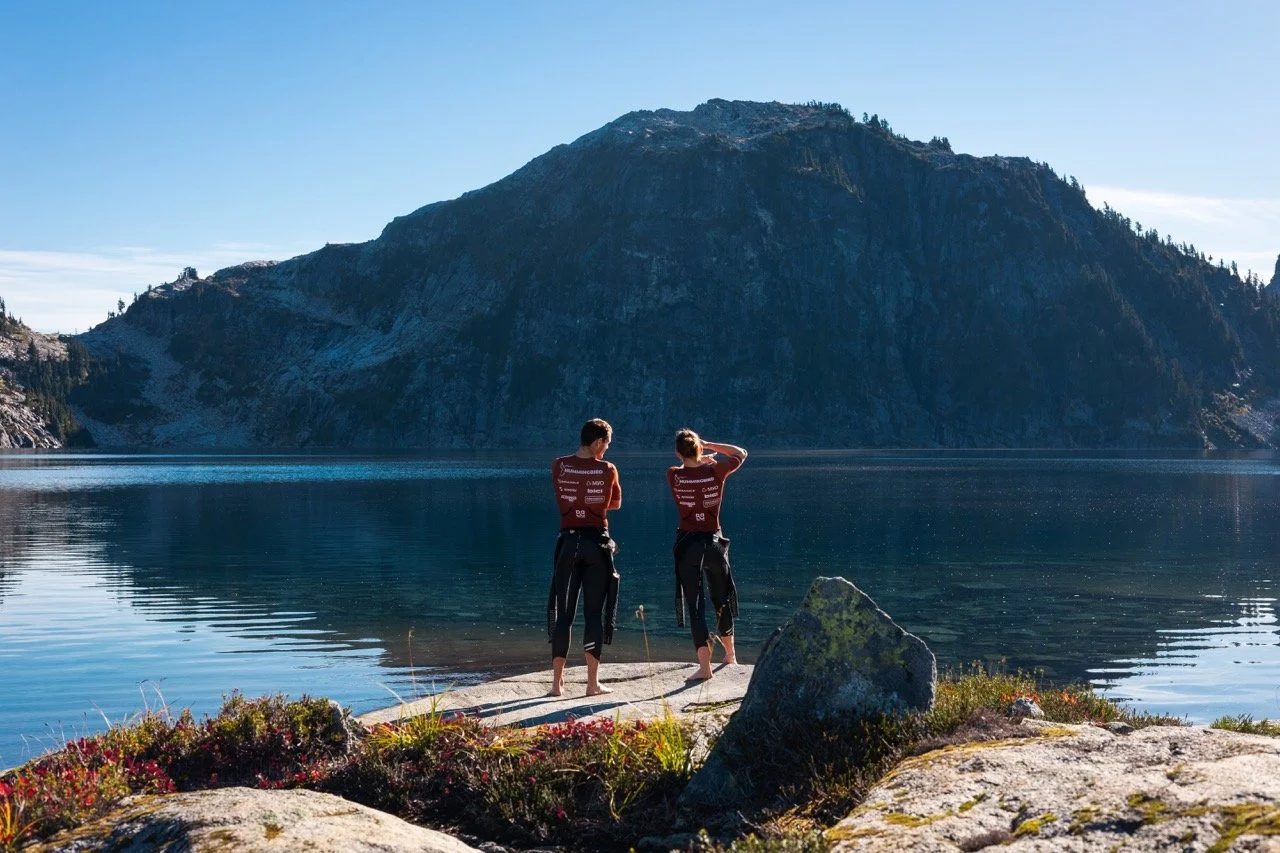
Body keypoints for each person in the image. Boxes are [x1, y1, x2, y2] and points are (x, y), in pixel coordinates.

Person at [547, 418, 622, 697]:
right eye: (606, 445)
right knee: (593, 613)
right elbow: (615, 502)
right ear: (598, 442)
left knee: (563, 615)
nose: (606, 450)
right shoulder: (607, 469)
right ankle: (592, 684)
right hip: (596, 543)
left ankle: (557, 684)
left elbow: (563, 497)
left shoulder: (559, 465)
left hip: (567, 542)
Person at [667, 428, 747, 681]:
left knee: (696, 604)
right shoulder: (716, 472)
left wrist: (698, 456)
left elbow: (684, 466)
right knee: (721, 599)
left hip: (688, 545)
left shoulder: (674, 475)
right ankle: (730, 655)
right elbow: (740, 453)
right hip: (714, 543)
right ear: (699, 448)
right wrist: (708, 446)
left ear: (678, 452)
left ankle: (704, 668)